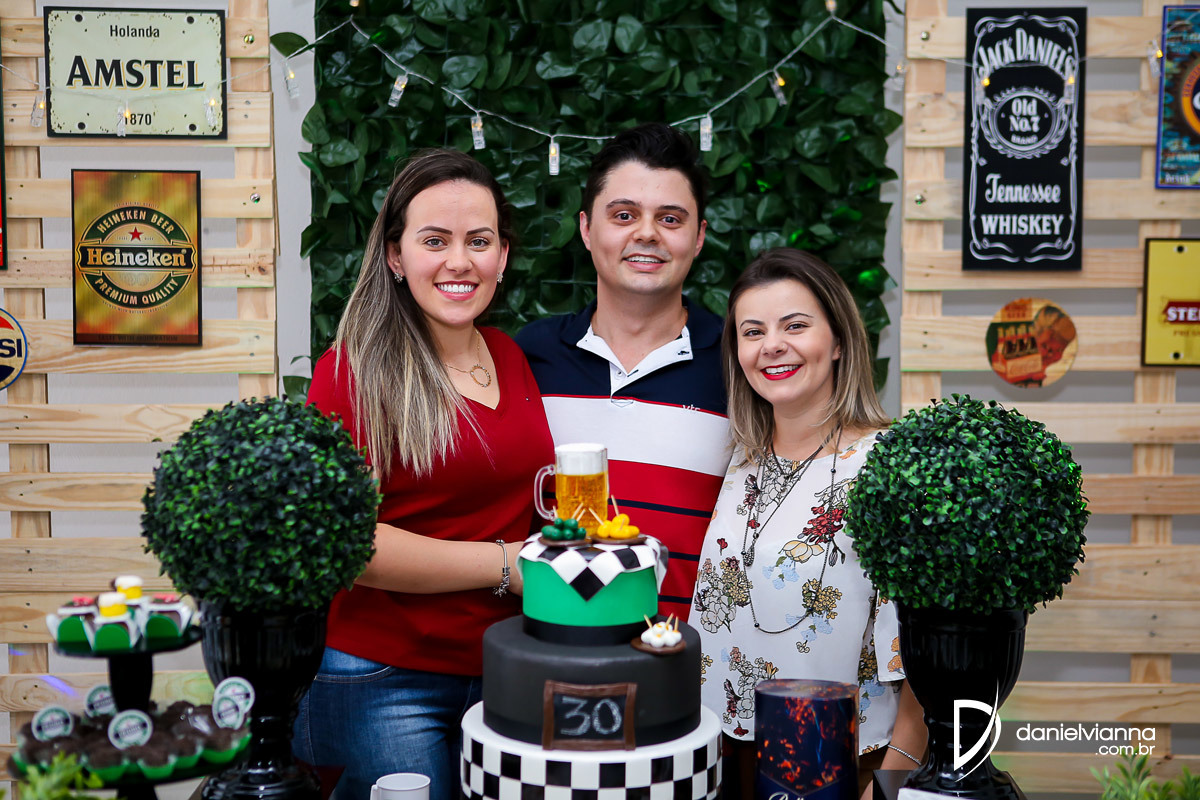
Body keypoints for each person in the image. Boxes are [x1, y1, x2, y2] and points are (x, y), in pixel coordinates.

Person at [294, 149, 554, 800]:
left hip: (505, 669)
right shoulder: (351, 372)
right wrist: (506, 564)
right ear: (395, 255)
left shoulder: (510, 355)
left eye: (479, 241)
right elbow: (349, 544)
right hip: (382, 678)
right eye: (435, 241)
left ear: (503, 255)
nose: (459, 261)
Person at [691, 248, 926, 798]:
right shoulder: (739, 458)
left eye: (795, 325)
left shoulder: (889, 466)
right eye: (753, 332)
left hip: (841, 759)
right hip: (726, 757)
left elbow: (922, 659)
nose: (772, 345)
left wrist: (890, 784)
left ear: (838, 340)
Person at [516, 123, 730, 623]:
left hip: (689, 653)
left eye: (670, 218)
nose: (647, 233)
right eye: (624, 215)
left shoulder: (739, 363)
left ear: (699, 237)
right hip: (551, 643)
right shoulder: (528, 356)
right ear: (587, 229)